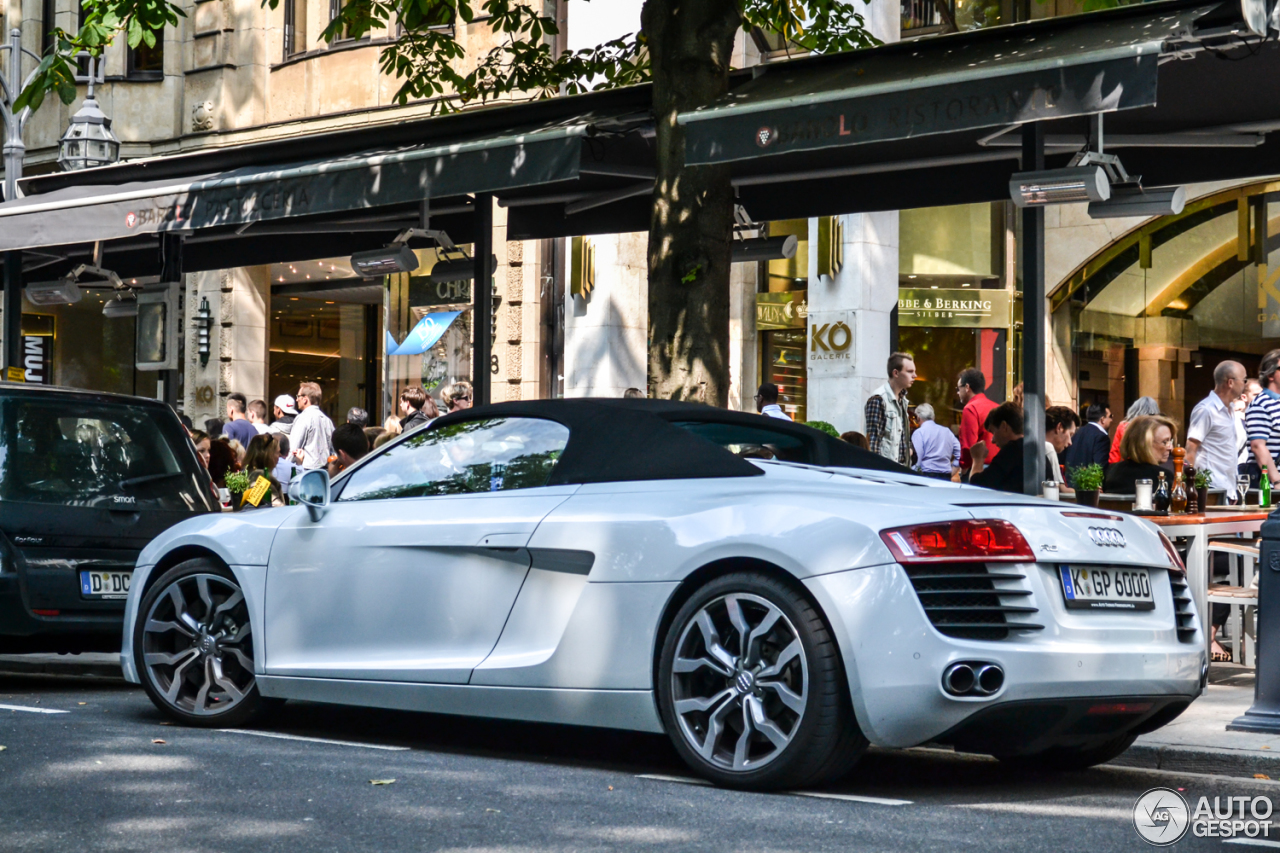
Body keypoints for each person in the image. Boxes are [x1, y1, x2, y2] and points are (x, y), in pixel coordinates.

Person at [1187, 360, 1247, 497]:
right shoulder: (1206, 410)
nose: (1245, 384)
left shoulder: (1231, 409)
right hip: (1210, 488)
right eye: (1244, 380)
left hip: (1228, 488)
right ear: (1230, 382)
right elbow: (1191, 450)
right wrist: (1188, 489)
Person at [969, 403, 1047, 494]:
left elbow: (978, 485)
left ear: (1004, 426)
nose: (992, 440)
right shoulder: (1037, 450)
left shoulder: (1012, 451)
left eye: (993, 432)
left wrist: (978, 459)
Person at [1104, 415, 1178, 493]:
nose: (1170, 448)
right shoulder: (1163, 477)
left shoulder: (1111, 472)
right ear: (1145, 444)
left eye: (1170, 441)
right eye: (1165, 442)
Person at [865, 352, 916, 465]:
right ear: (896, 373)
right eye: (910, 371)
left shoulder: (903, 400)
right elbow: (873, 442)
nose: (915, 375)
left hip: (901, 470)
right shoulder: (878, 399)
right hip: (887, 472)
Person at [1245, 351, 1280, 492]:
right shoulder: (1261, 404)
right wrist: (1277, 482)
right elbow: (1258, 446)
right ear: (1270, 375)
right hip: (1270, 489)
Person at [956, 368, 999, 471]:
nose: (958, 393)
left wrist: (964, 465)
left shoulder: (971, 408)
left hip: (978, 468)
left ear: (967, 387)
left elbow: (969, 446)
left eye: (958, 388)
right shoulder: (997, 407)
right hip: (999, 467)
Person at [1062, 403, 1111, 484]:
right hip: (1088, 488)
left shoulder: (1075, 433)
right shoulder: (1102, 437)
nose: (1112, 420)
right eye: (1110, 417)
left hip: (1068, 486)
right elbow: (1100, 467)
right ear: (1102, 419)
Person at [291, 381, 335, 471]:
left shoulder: (303, 418)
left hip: (306, 472)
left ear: (305, 399)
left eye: (298, 396)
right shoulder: (327, 421)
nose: (296, 399)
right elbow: (333, 450)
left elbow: (293, 448)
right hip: (325, 472)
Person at [910, 403, 959, 481]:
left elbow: (918, 459)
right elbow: (960, 452)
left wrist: (911, 472)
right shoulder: (947, 431)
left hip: (926, 475)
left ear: (918, 418)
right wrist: (954, 468)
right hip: (945, 475)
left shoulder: (918, 433)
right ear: (933, 417)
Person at [238, 434, 285, 509]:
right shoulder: (260, 477)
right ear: (269, 455)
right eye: (277, 452)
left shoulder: (249, 474)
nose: (279, 455)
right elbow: (277, 507)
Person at [1109, 397, 1160, 464]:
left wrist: (1113, 469)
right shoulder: (1157, 428)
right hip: (1150, 465)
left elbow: (1115, 452)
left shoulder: (1123, 426)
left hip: (1129, 466)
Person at [1045, 406, 1080, 492]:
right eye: (1070, 434)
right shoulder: (1048, 448)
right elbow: (1061, 490)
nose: (1070, 442)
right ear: (1059, 427)